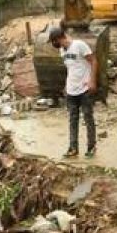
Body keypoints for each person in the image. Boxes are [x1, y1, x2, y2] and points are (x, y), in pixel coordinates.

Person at [49, 26, 98, 158]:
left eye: (55, 41)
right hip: (71, 91)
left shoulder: (79, 45)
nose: (55, 44)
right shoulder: (62, 51)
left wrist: (92, 81)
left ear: (60, 38)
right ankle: (73, 148)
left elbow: (93, 61)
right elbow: (71, 69)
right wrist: (66, 85)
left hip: (84, 89)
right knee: (73, 120)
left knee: (88, 118)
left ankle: (91, 147)